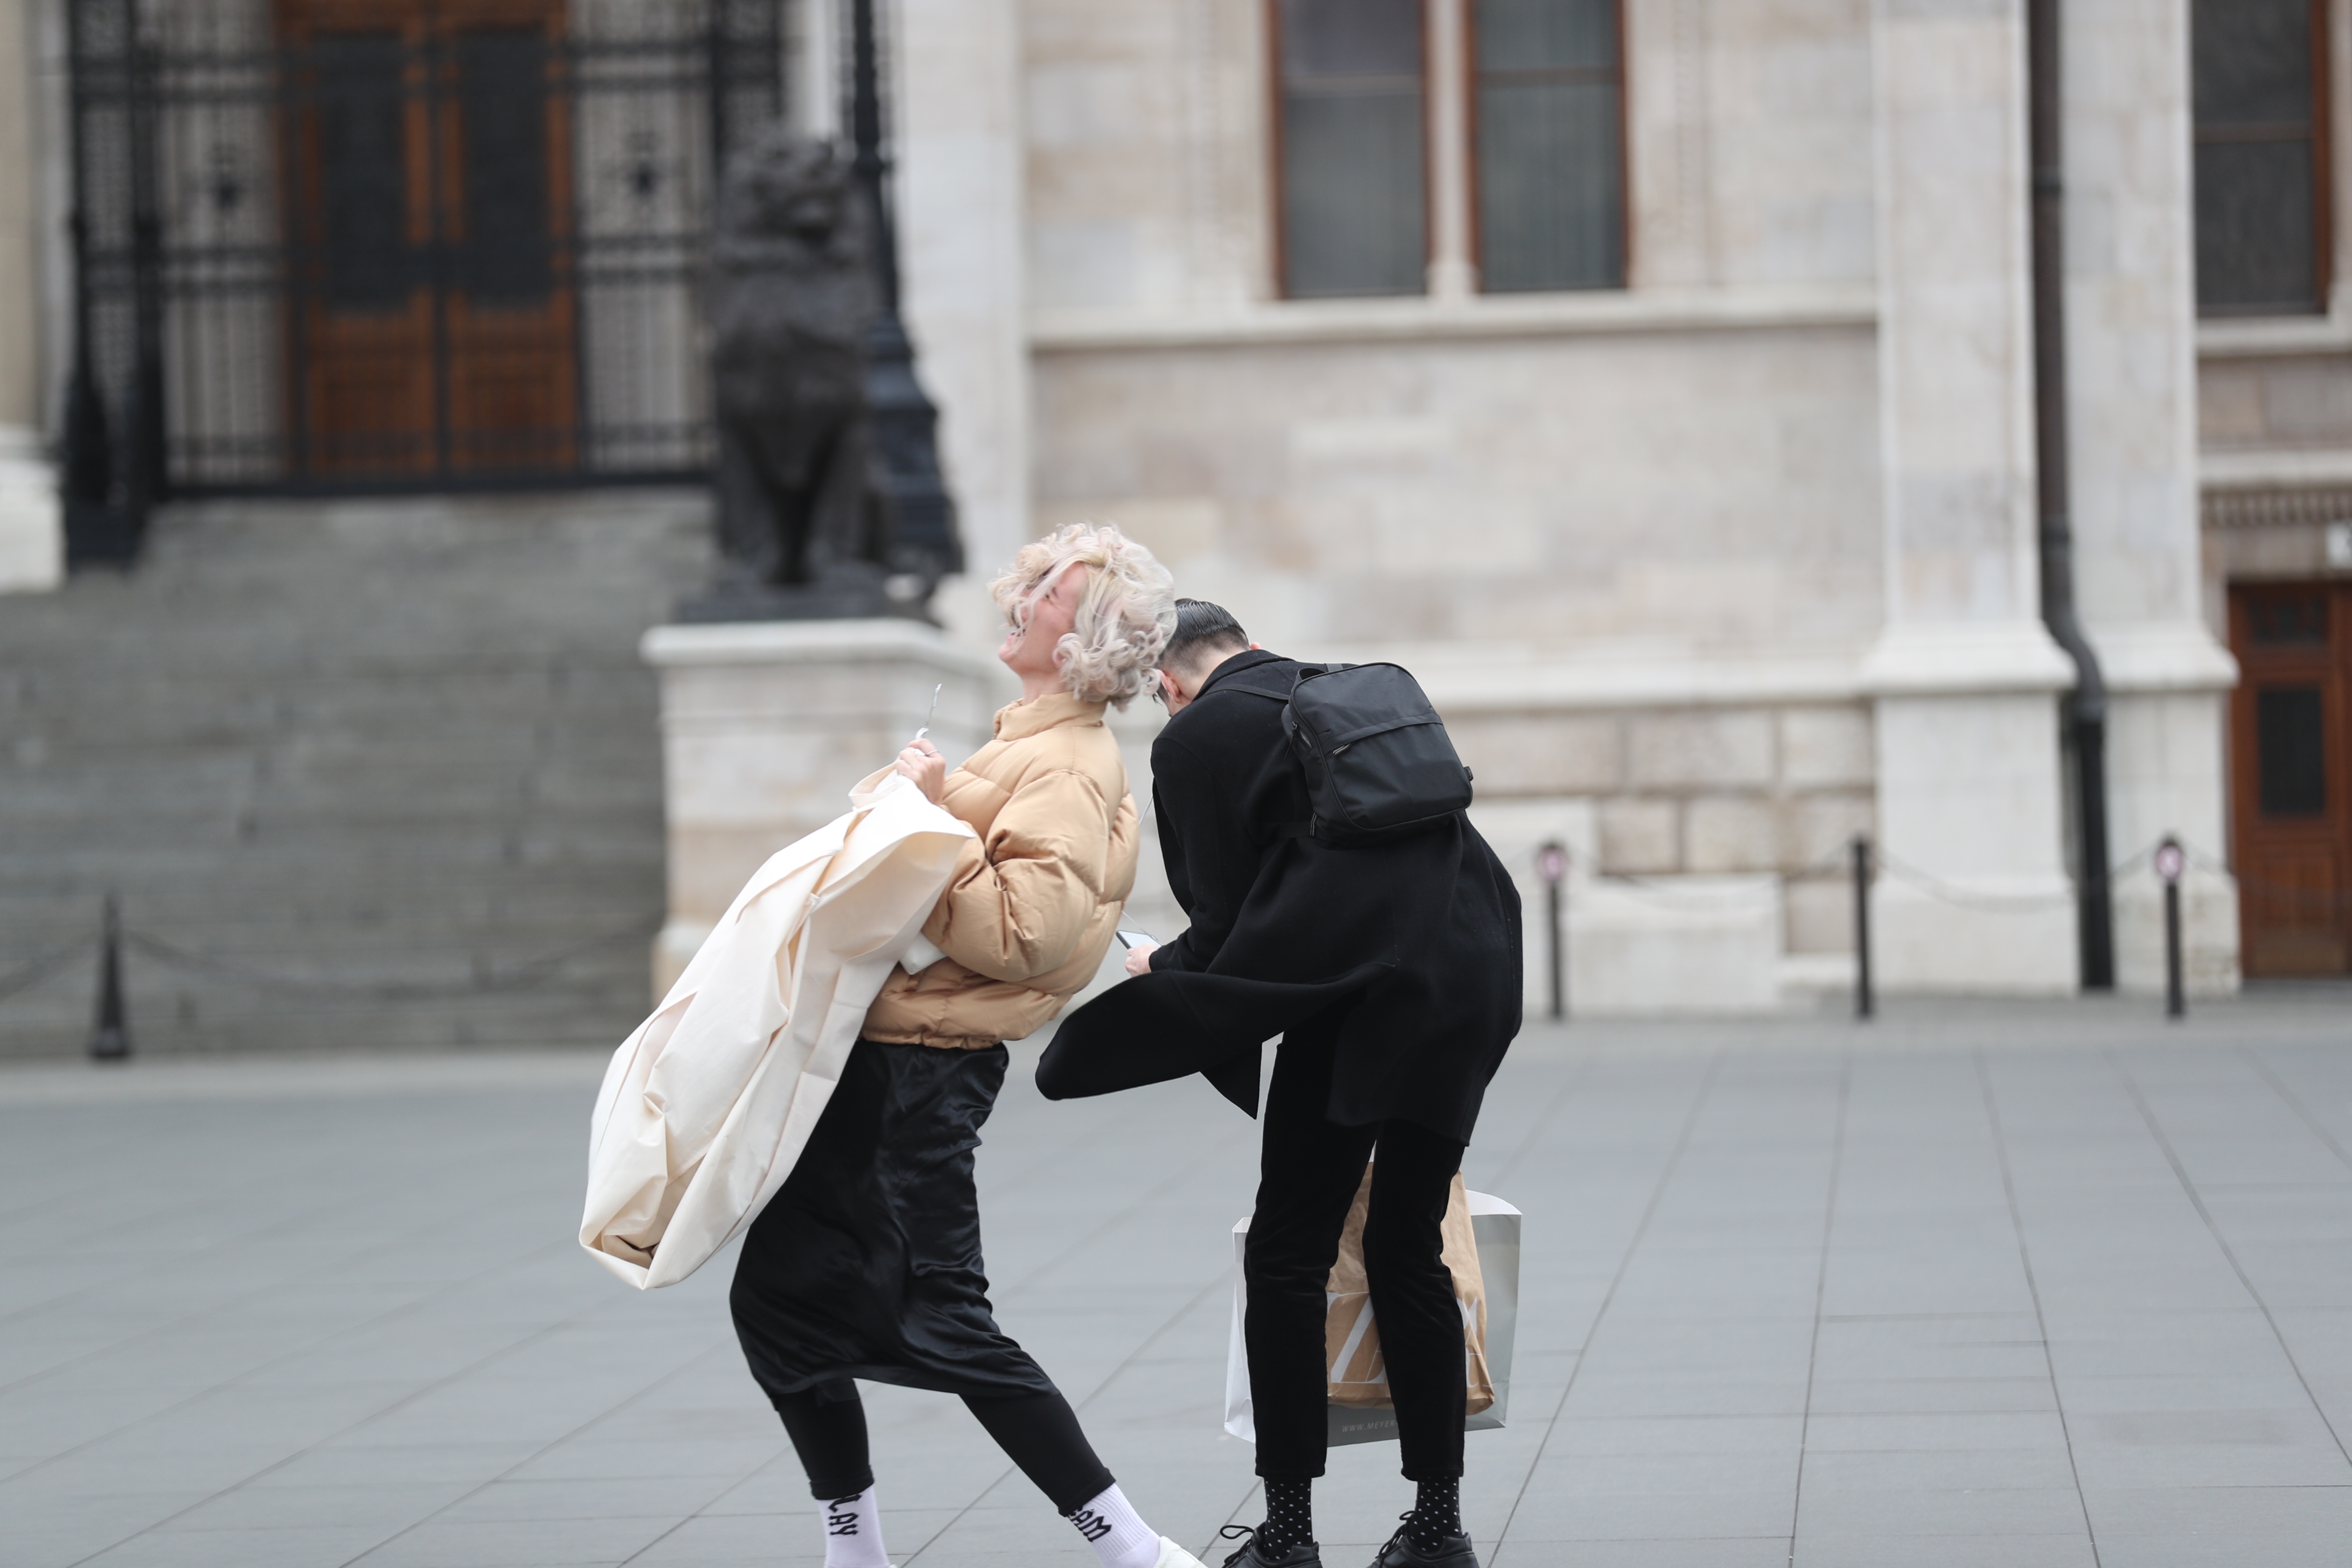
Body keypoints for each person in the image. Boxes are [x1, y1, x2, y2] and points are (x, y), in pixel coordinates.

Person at [729, 526, 1208, 1568]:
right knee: (780, 1301)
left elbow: (1025, 936)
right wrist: (930, 809)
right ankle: (855, 1549)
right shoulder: (1029, 743)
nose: (1020, 599)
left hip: (922, 1074)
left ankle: (1135, 1548)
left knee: (944, 1316)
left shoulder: (1066, 763)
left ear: (1080, 637)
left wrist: (927, 817)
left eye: (1048, 593)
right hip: (890, 1064)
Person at [1039, 600, 1523, 1568]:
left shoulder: (1195, 740)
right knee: (1407, 1245)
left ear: (1168, 686)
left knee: (1287, 1256)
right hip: (1473, 970)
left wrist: (1160, 967)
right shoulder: (1339, 690)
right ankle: (1438, 1530)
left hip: (1362, 999)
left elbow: (1225, 921)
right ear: (1247, 644)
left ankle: (1290, 1537)